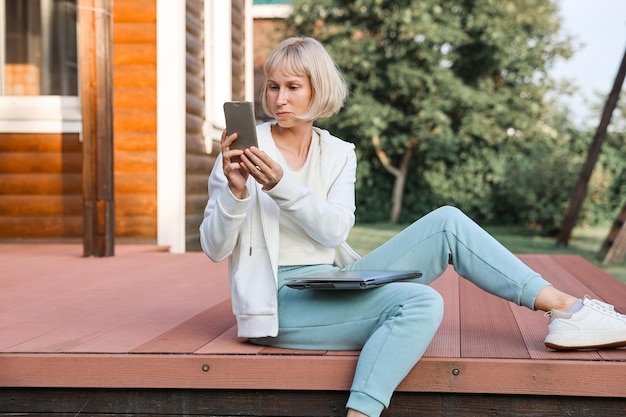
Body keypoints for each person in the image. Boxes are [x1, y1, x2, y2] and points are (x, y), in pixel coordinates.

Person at [200, 36, 626, 417]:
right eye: (273, 86)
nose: (280, 99)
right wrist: (236, 193)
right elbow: (215, 248)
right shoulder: (244, 152)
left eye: (293, 87)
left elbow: (332, 232)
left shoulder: (339, 153)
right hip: (280, 301)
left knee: (447, 222)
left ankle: (567, 310)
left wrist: (282, 185)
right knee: (422, 303)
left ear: (317, 90)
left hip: (334, 281)